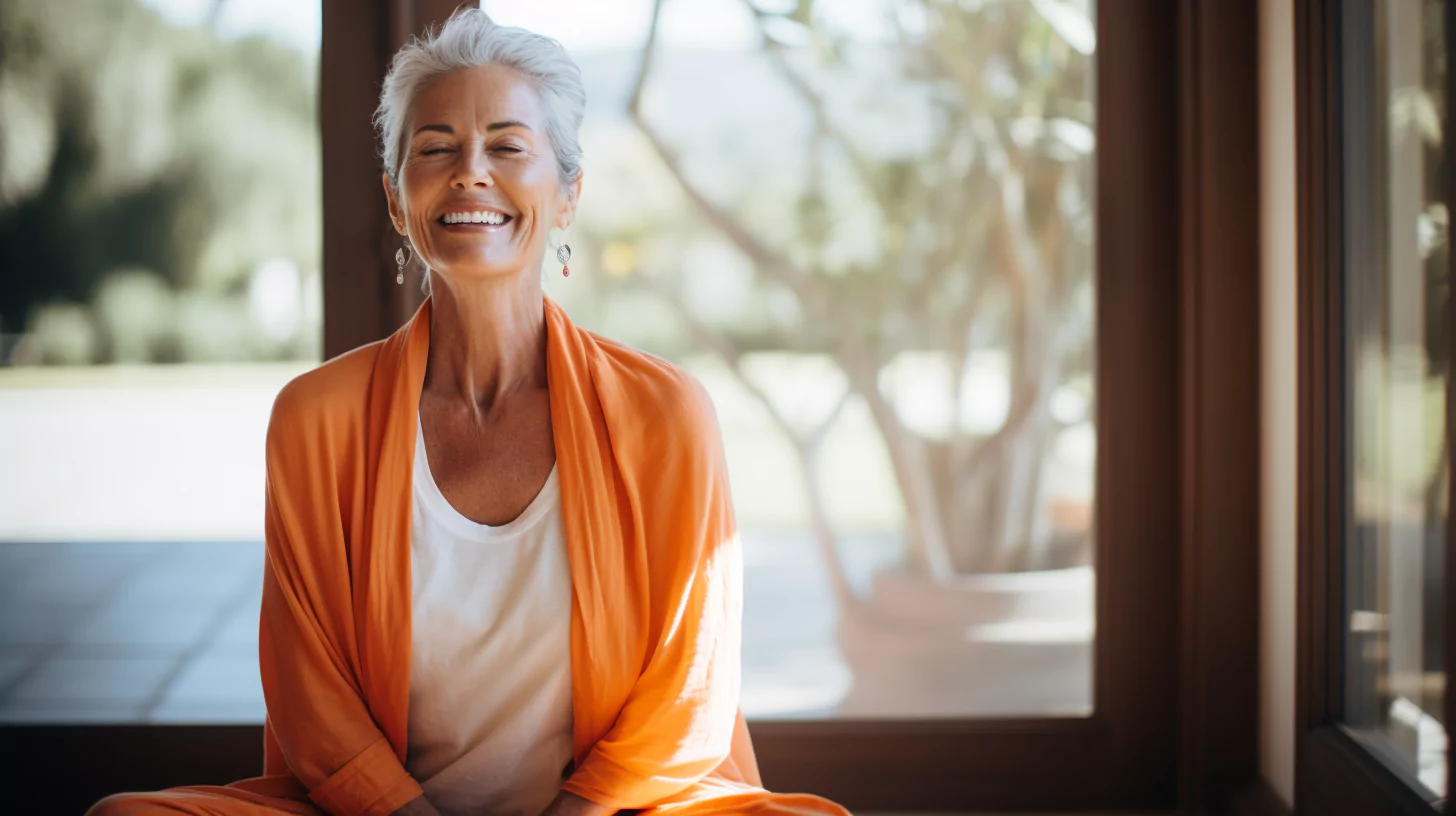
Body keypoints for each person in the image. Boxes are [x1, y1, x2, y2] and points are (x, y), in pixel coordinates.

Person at [89, 9, 851, 816]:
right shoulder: (314, 421)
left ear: (568, 194)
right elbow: (312, 700)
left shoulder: (667, 414)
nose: (470, 173)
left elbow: (685, 687)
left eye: (509, 146)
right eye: (436, 148)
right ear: (395, 198)